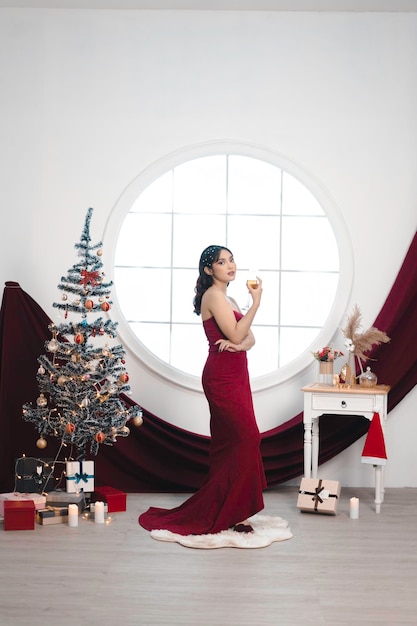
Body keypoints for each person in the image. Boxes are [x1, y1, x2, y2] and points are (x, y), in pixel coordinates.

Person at [138, 245, 267, 536]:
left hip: (237, 374)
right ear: (209, 270)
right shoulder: (213, 296)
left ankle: (235, 512)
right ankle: (226, 510)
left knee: (233, 443)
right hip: (222, 377)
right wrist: (255, 305)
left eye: (231, 259)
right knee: (245, 437)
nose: (230, 265)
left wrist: (237, 343)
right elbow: (238, 332)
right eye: (222, 262)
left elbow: (250, 339)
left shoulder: (229, 297)